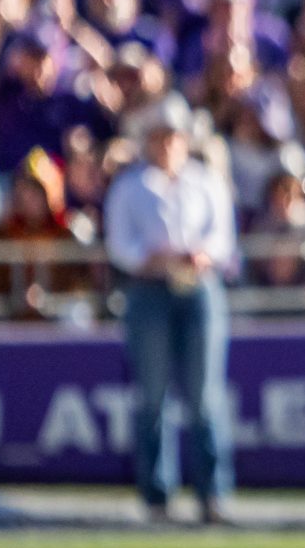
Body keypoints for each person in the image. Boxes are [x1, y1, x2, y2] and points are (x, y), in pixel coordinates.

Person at [102, 97, 238, 524]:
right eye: (159, 137)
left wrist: (200, 255)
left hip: (198, 288)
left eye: (173, 137)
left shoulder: (205, 181)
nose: (166, 145)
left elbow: (223, 238)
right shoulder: (130, 186)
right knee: (153, 394)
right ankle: (157, 494)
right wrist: (153, 257)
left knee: (204, 394)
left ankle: (212, 493)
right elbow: (120, 246)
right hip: (149, 290)